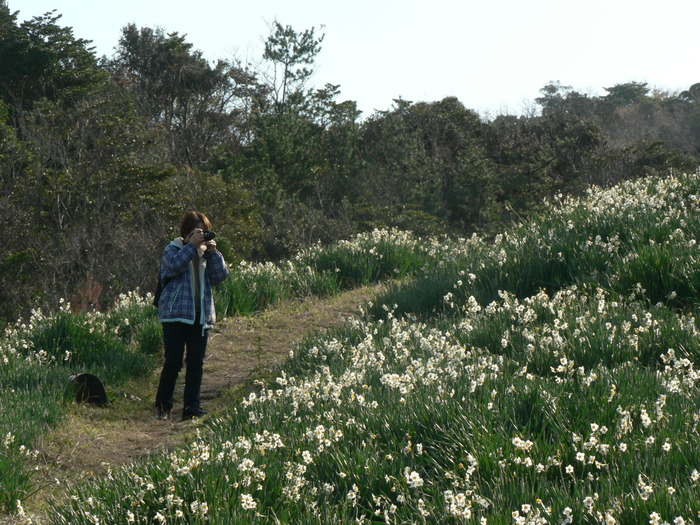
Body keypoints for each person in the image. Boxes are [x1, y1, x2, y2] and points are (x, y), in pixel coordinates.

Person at [154, 210, 229, 420]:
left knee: (196, 362)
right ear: (187, 232)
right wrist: (191, 247)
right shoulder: (173, 248)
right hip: (175, 314)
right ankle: (163, 406)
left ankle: (191, 408)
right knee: (173, 362)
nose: (201, 236)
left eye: (204, 232)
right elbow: (173, 266)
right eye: (197, 231)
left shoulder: (205, 253)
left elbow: (220, 276)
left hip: (200, 315)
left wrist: (213, 253)